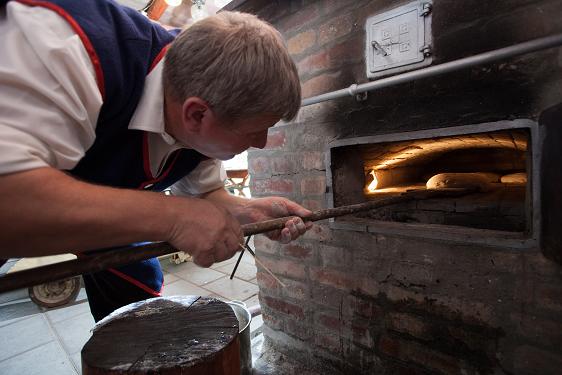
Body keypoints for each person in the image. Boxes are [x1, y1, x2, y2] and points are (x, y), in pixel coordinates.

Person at [0, 0, 311, 321]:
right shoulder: (69, 49)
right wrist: (175, 218)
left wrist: (250, 211)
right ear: (197, 113)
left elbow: (202, 195)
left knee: (139, 293)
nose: (260, 143)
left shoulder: (204, 96)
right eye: (256, 130)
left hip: (87, 204)